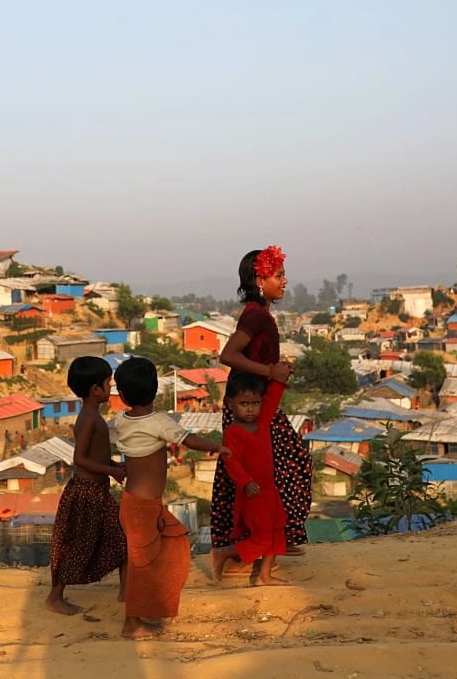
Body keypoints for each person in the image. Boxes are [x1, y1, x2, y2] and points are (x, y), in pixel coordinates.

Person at [113, 357, 229, 640]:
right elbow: (189, 441)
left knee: (160, 550)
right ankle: (132, 622)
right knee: (146, 561)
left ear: (123, 396)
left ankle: (144, 604)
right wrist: (219, 447)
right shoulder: (159, 422)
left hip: (137, 503)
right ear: (156, 390)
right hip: (143, 507)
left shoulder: (120, 420)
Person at [214, 246, 311, 567]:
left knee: (272, 469)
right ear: (260, 279)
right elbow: (228, 356)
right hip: (251, 407)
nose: (285, 281)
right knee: (286, 466)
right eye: (279, 275)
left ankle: (273, 539)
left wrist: (276, 370)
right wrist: (271, 372)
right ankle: (264, 541)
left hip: (257, 403)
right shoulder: (256, 314)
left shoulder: (260, 313)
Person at [46, 356, 127, 615]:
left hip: (96, 490)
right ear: (96, 389)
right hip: (86, 492)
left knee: (121, 539)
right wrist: (113, 470)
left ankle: (127, 593)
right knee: (76, 546)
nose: (111, 387)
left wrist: (114, 464)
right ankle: (55, 597)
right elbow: (79, 459)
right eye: (108, 383)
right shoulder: (89, 419)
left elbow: (95, 455)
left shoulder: (92, 416)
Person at [210, 372, 290, 586]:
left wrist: (280, 379)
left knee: (276, 531)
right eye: (244, 403)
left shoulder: (262, 422)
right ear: (230, 403)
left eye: (255, 403)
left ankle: (264, 576)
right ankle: (224, 553)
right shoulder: (233, 432)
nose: (250, 408)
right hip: (252, 493)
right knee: (262, 537)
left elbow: (272, 399)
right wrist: (245, 482)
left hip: (269, 491)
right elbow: (231, 462)